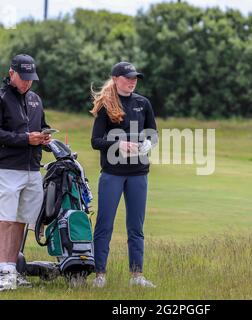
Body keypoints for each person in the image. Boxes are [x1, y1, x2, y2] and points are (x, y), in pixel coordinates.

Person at [0, 54, 51, 292]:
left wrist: (44, 137)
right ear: (12, 73)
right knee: (6, 220)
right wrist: (25, 139)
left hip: (32, 169)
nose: (27, 83)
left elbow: (40, 125)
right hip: (8, 169)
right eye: (24, 78)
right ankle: (4, 273)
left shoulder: (35, 99)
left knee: (21, 220)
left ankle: (13, 269)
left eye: (31, 79)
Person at [90, 62, 158, 288]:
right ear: (116, 78)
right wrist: (119, 143)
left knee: (136, 227)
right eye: (128, 77)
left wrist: (149, 143)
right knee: (104, 224)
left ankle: (137, 276)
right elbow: (96, 141)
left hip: (139, 172)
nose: (132, 81)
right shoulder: (105, 105)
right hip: (113, 173)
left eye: (135, 78)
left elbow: (153, 133)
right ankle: (99, 274)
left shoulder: (143, 103)